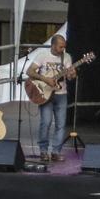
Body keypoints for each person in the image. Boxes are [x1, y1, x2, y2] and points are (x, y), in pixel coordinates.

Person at [27, 34, 78, 162]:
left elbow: (70, 77)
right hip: (45, 94)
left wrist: (72, 74)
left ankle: (56, 152)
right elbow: (30, 72)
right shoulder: (43, 56)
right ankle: (43, 151)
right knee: (46, 122)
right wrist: (46, 79)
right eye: (60, 47)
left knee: (61, 125)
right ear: (53, 45)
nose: (62, 49)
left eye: (64, 47)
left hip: (62, 94)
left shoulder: (66, 57)